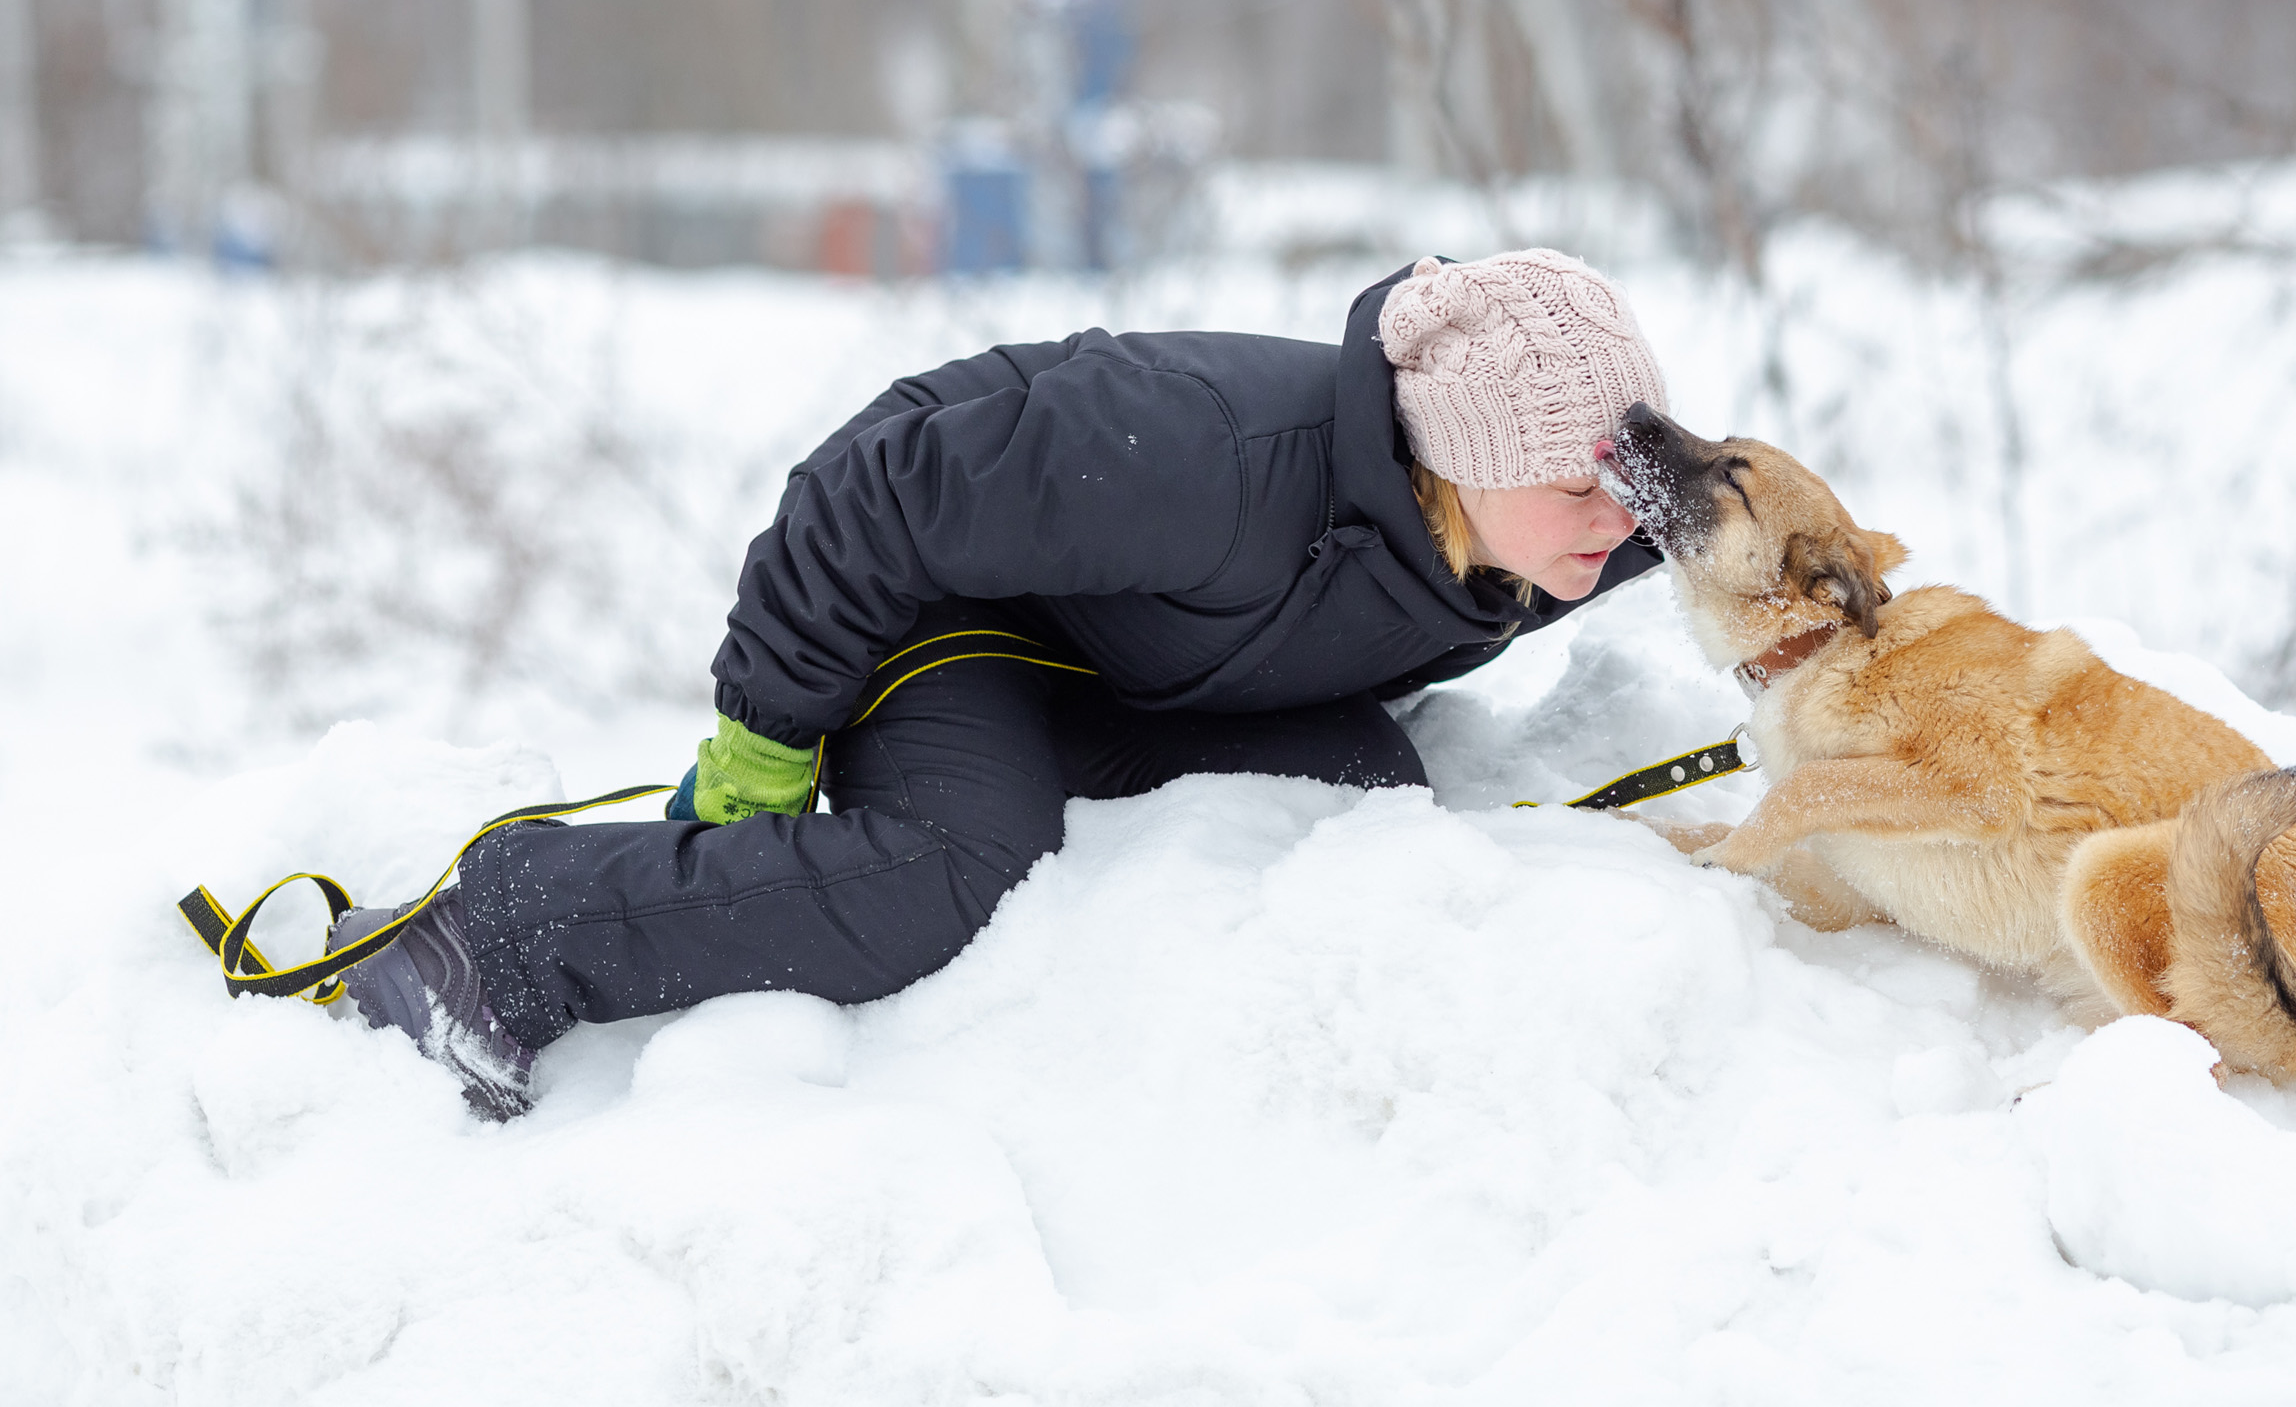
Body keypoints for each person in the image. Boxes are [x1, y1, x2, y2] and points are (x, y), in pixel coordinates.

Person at [323, 250, 1670, 1119]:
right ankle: (485, 943)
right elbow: (870, 496)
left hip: (1136, 667)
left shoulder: (1577, 520)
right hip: (940, 614)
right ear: (1457, 456)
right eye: (1576, 487)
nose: (1615, 517)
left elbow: (1782, 537)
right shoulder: (1201, 455)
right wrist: (767, 736)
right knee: (953, 874)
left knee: (1361, 797)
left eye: (1631, 480)